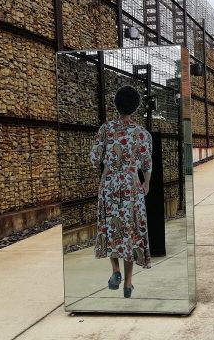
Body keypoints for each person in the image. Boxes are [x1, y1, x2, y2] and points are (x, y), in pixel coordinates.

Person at [89, 85, 153, 299]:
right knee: (129, 231)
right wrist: (146, 184)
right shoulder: (141, 133)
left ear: (116, 105)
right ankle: (128, 283)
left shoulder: (105, 129)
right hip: (131, 183)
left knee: (111, 227)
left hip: (109, 183)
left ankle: (114, 271)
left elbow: (94, 159)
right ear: (135, 107)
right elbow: (146, 163)